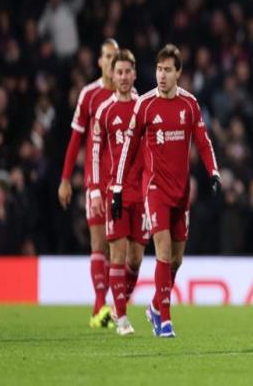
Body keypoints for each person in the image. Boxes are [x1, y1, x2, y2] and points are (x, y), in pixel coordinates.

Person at [113, 44, 221, 337]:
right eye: (159, 69)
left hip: (181, 193)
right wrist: (118, 186)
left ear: (178, 73)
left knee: (176, 259)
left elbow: (203, 141)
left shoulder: (190, 104)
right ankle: (165, 320)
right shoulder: (145, 105)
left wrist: (213, 172)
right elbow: (128, 149)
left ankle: (154, 306)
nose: (162, 75)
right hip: (155, 190)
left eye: (168, 70)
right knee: (162, 250)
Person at [58, 39, 119, 328]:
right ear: (99, 61)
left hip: (121, 182)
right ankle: (100, 306)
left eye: (115, 57)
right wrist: (65, 179)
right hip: (95, 180)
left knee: (117, 247)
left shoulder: (130, 96)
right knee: (98, 242)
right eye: (106, 56)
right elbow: (74, 140)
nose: (110, 62)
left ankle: (104, 307)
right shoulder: (89, 95)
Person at [90, 49, 149, 335]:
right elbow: (94, 152)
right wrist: (95, 190)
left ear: (134, 74)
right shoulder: (105, 111)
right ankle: (122, 318)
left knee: (135, 260)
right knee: (117, 254)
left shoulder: (144, 108)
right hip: (116, 192)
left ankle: (118, 305)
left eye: (128, 72)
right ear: (112, 76)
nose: (124, 77)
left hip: (142, 195)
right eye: (119, 72)